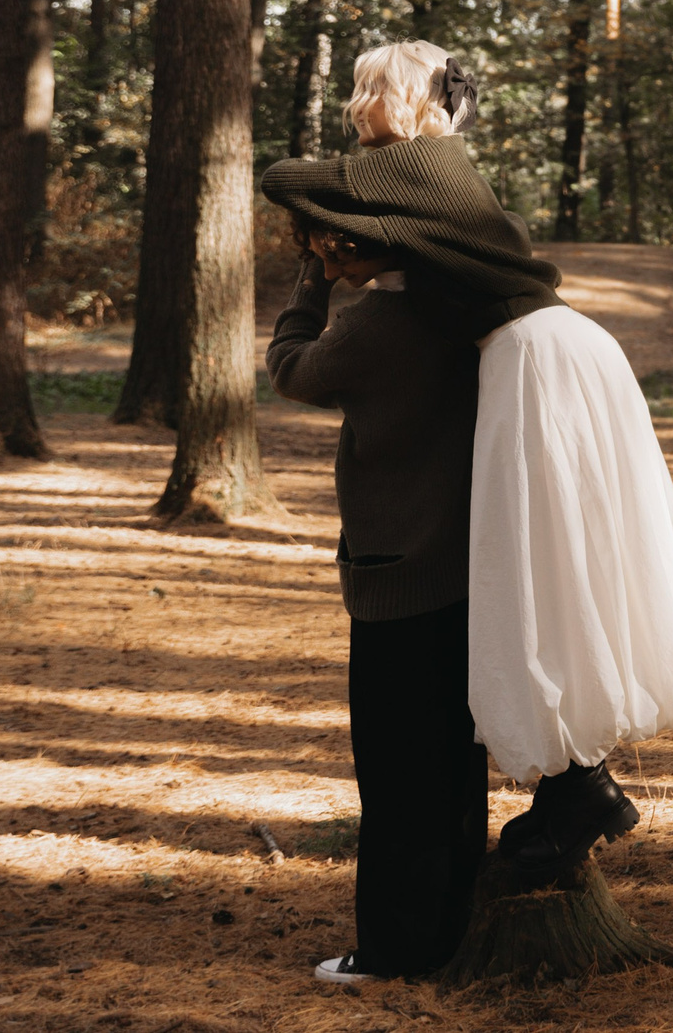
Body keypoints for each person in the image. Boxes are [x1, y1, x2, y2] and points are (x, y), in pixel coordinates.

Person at [264, 40, 673, 890]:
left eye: (367, 91)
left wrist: (321, 249)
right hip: (550, 354)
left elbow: (284, 176)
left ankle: (578, 791)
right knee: (547, 582)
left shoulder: (422, 167)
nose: (355, 110)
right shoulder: (444, 190)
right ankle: (576, 787)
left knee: (535, 581)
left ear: (398, 97)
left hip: (535, 363)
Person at [266, 219, 485, 986]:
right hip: (469, 570)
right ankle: (451, 928)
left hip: (397, 578)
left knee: (395, 777)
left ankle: (394, 948)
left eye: (331, 243)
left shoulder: (377, 326)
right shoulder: (469, 307)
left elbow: (290, 368)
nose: (324, 252)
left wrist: (311, 285)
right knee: (456, 765)